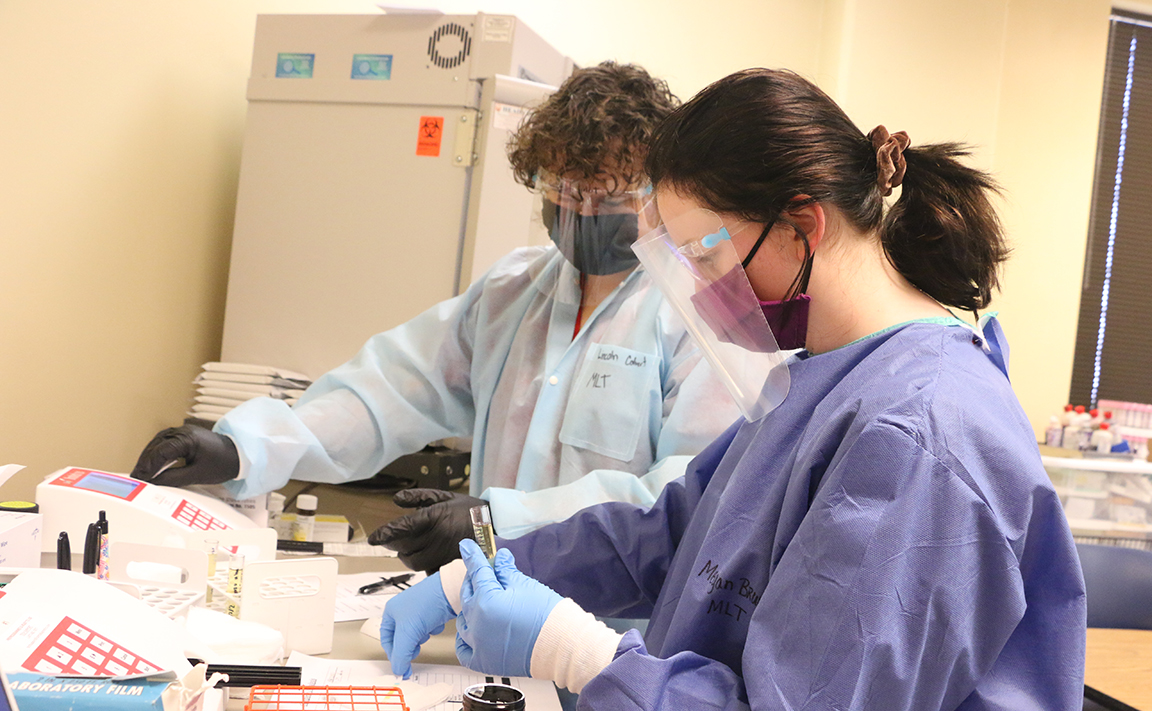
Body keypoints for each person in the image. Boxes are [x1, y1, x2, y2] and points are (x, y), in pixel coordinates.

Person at [381, 68, 1087, 711]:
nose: (698, 289)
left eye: (705, 256)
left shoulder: (918, 437)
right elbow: (675, 532)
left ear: (802, 226)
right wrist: (486, 570)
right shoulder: (818, 378)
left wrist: (578, 654)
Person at [129, 62, 740, 565]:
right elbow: (388, 392)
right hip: (492, 610)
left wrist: (502, 519)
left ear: (656, 194)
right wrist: (245, 448)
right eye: (562, 189)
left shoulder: (697, 316)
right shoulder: (511, 292)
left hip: (615, 635)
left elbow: (686, 491)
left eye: (605, 196)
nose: (579, 212)